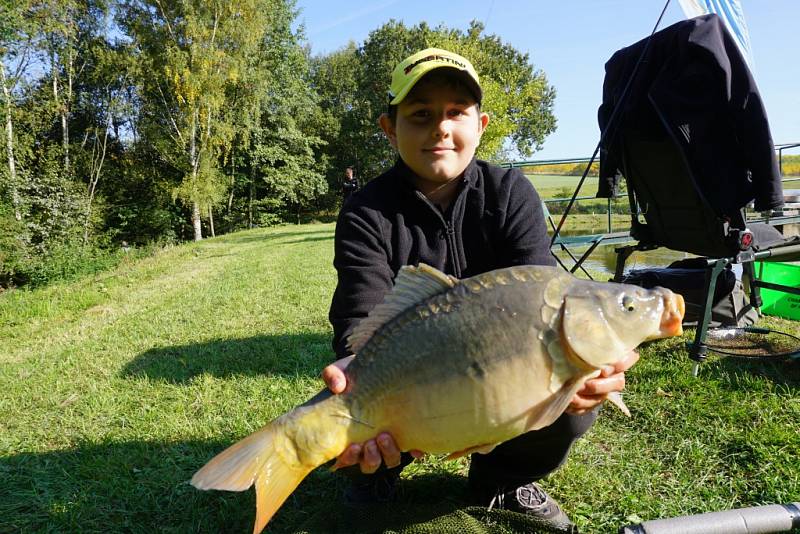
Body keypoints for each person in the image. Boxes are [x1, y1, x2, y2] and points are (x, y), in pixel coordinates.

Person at [323, 47, 637, 531]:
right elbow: (358, 316)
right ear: (390, 128)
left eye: (456, 113)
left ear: (481, 123)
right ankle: (375, 473)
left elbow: (544, 302)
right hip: (406, 373)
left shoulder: (511, 193)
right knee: (330, 424)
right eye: (421, 114)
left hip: (497, 377)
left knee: (571, 408)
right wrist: (351, 372)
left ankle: (500, 477)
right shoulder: (367, 211)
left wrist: (579, 370)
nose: (441, 128)